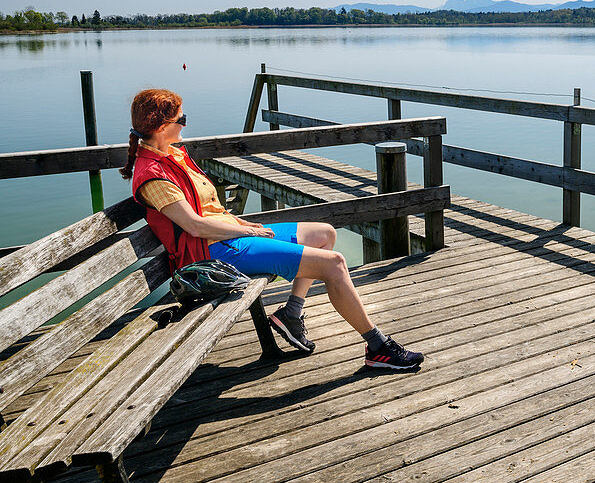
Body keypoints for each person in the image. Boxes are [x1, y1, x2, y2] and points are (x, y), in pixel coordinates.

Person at [119, 88, 423, 371]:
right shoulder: (153, 175)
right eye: (181, 119)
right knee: (335, 264)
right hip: (211, 253)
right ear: (161, 127)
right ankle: (378, 347)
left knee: (324, 234)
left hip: (227, 238)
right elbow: (194, 226)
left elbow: (208, 210)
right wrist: (246, 233)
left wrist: (241, 223)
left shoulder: (172, 155)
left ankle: (291, 313)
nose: (184, 125)